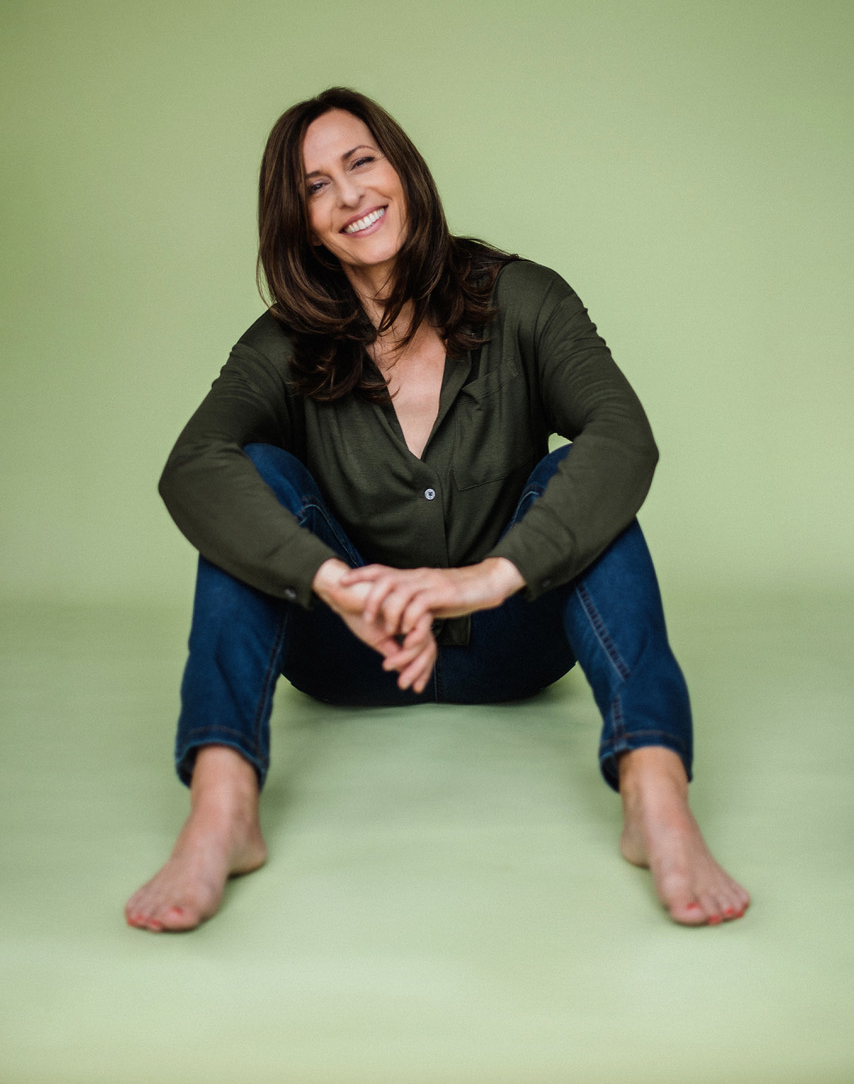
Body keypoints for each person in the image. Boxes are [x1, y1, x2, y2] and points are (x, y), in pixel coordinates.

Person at [125, 87, 750, 933]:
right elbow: (193, 465)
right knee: (253, 476)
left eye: (361, 163)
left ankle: (655, 795)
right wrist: (335, 584)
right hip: (349, 649)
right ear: (301, 224)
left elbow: (623, 435)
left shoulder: (526, 299)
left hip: (514, 639)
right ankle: (223, 807)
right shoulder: (282, 343)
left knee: (580, 474)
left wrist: (489, 578)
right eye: (316, 187)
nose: (349, 195)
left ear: (404, 170)